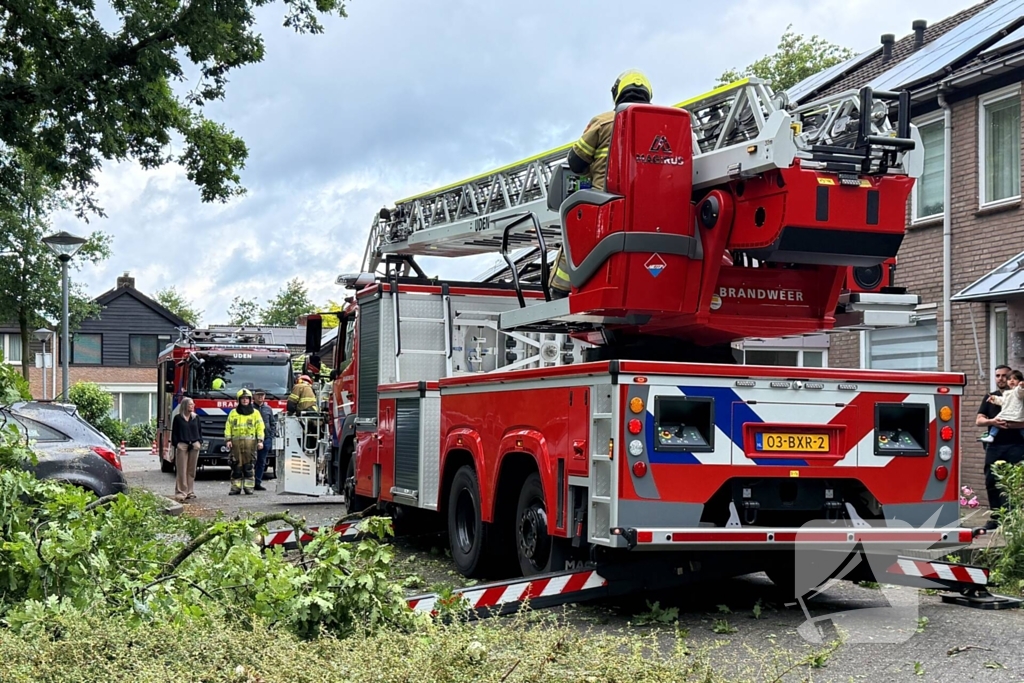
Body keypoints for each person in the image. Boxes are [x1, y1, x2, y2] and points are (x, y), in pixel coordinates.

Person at [549, 70, 654, 299]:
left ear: (618, 93)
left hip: (604, 211)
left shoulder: (603, 122)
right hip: (654, 215)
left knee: (573, 235)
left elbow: (576, 163)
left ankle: (559, 290)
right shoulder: (667, 123)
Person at [976, 365, 1024, 530]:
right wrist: (992, 422)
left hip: (1016, 445)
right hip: (994, 447)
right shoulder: (991, 397)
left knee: (1014, 483)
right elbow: (979, 420)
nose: (1001, 379)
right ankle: (996, 517)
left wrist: (1012, 425)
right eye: (998, 376)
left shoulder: (1020, 395)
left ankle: (1013, 519)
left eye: (1005, 376)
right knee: (991, 480)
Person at [224, 388, 265, 495]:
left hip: (250, 444)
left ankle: (249, 487)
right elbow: (228, 426)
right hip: (236, 444)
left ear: (250, 400)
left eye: (247, 398)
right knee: (236, 466)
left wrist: (260, 441)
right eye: (242, 398)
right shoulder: (233, 413)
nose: (245, 400)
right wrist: (228, 440)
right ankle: (235, 488)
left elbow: (260, 427)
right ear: (239, 400)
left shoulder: (255, 413)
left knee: (248, 466)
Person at [171, 397, 203, 502]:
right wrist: (177, 444)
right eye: (190, 404)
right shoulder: (178, 418)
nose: (192, 406)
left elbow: (199, 430)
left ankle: (190, 491)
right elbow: (174, 432)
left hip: (194, 445)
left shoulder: (196, 417)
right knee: (181, 469)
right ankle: (181, 492)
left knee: (191, 469)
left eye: (193, 404)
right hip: (182, 444)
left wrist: (199, 442)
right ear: (185, 406)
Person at [982, 370, 1024, 443]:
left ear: (1020, 381)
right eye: (1009, 379)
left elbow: (1019, 392)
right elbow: (1002, 401)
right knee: (997, 421)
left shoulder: (1017, 391)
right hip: (1008, 413)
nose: (1012, 381)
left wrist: (1021, 386)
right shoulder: (1007, 392)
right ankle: (991, 436)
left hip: (1016, 413)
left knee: (1021, 429)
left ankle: (991, 435)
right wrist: (994, 398)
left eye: (1015, 379)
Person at [252, 388, 275, 491]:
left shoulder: (268, 409)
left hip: (266, 438)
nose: (260, 397)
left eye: (262, 395)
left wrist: (271, 436)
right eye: (258, 395)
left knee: (261, 461)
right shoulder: (250, 408)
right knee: (250, 461)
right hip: (252, 438)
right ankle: (249, 482)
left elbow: (272, 423)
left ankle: (258, 483)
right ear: (254, 396)